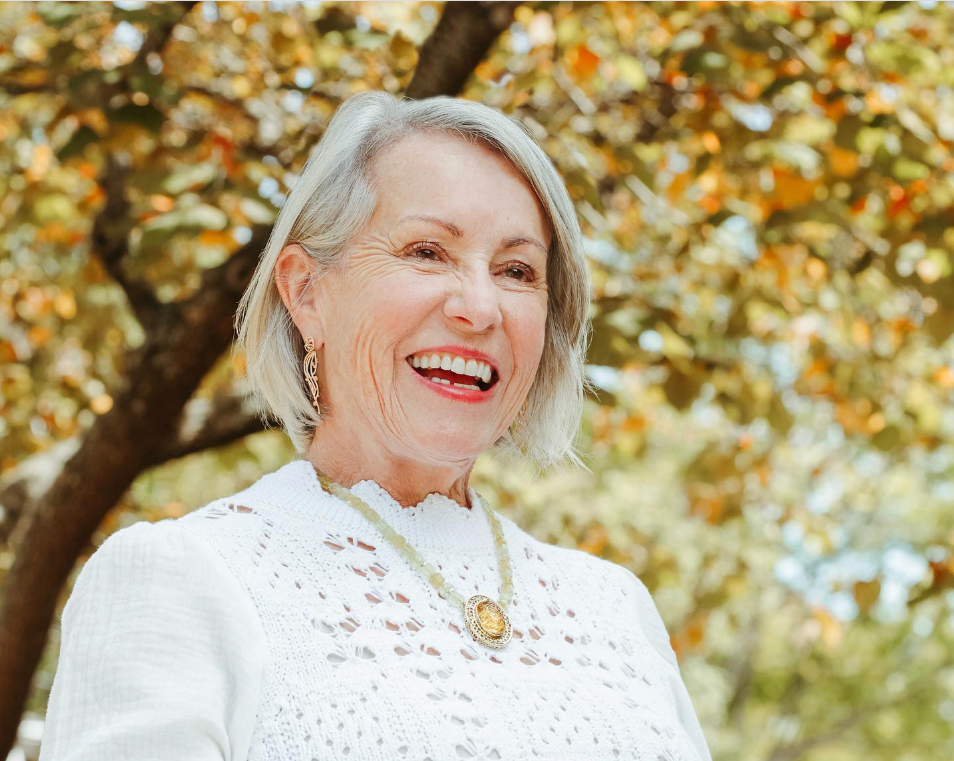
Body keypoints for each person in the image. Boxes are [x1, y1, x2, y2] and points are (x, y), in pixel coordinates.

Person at [39, 91, 712, 761]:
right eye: (427, 251)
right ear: (306, 292)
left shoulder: (614, 608)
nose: (479, 307)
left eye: (516, 270)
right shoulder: (185, 579)